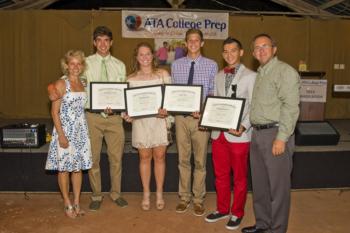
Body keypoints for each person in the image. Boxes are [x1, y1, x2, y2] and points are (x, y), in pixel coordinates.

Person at [241, 34, 300, 233]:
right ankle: (263, 224)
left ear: (274, 49)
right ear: (253, 53)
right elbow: (257, 108)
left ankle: (277, 229)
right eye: (257, 47)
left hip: (276, 134)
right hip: (257, 135)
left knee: (278, 188)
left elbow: (291, 107)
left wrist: (282, 138)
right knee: (260, 186)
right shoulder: (261, 74)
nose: (261, 50)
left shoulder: (285, 71)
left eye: (265, 46)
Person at [204, 37, 256, 230]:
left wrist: (244, 125)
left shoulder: (251, 76)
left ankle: (238, 212)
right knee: (220, 175)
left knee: (240, 177)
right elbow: (217, 104)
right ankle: (223, 208)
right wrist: (207, 120)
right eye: (225, 51)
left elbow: (254, 106)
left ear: (241, 52)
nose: (229, 55)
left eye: (233, 50)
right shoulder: (218, 76)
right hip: (219, 135)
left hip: (239, 135)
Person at [171, 28, 218, 216]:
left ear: (202, 43)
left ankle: (198, 199)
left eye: (196, 40)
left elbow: (213, 92)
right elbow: (173, 92)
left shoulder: (212, 65)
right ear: (185, 43)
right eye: (189, 40)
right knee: (183, 160)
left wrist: (205, 112)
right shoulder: (176, 65)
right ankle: (184, 197)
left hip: (200, 120)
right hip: (181, 118)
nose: (193, 43)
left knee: (200, 161)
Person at [84, 26, 128, 211]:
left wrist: (121, 108)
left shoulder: (120, 65)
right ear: (94, 43)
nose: (103, 44)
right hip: (92, 117)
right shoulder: (84, 63)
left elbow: (123, 93)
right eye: (99, 40)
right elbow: (72, 80)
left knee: (116, 158)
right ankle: (96, 195)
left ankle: (116, 193)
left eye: (106, 40)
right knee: (93, 159)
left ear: (111, 43)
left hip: (114, 118)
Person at [123, 42, 171, 211]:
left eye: (148, 54)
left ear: (153, 56)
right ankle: (146, 193)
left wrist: (166, 110)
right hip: (140, 123)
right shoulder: (130, 79)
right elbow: (125, 105)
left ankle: (159, 193)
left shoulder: (163, 75)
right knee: (144, 157)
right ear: (136, 58)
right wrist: (126, 115)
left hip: (159, 121)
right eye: (141, 54)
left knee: (160, 157)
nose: (145, 57)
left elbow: (170, 100)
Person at [45, 50, 92, 219]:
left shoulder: (83, 82)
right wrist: (62, 135)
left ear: (82, 65)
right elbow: (54, 112)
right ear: (66, 65)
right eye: (72, 63)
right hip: (64, 130)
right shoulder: (61, 83)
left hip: (80, 131)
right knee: (64, 169)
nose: (75, 67)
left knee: (78, 169)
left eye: (79, 63)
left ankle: (77, 202)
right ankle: (67, 202)